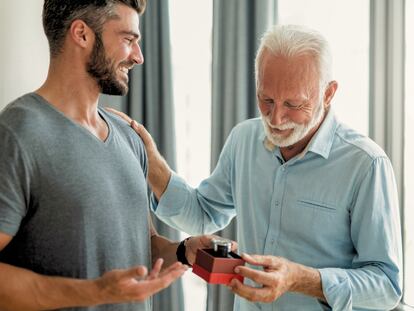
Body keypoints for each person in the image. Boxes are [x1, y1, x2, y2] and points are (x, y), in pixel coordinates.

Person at [111, 25, 403, 310]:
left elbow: (387, 287)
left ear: (328, 94)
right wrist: (150, 160)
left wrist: (301, 279)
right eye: (266, 99)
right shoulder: (244, 139)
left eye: (293, 104)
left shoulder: (365, 165)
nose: (275, 118)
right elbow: (202, 214)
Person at [0, 1, 227, 310]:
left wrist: (182, 250)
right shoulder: (18, 133)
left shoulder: (128, 137)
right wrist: (93, 292)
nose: (138, 56)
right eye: (128, 39)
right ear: (81, 34)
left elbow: (140, 243)